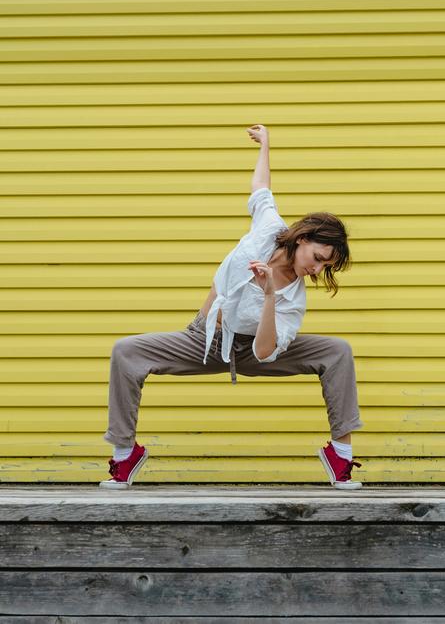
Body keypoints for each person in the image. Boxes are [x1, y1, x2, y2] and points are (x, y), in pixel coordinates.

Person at [99, 124, 364, 490]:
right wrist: (266, 146)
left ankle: (341, 456)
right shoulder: (268, 228)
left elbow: (266, 350)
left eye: (325, 268)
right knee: (126, 352)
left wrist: (270, 294)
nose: (317, 270)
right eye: (318, 258)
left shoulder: (293, 298)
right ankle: (125, 455)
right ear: (303, 238)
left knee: (338, 352)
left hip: (255, 350)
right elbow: (262, 188)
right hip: (205, 339)